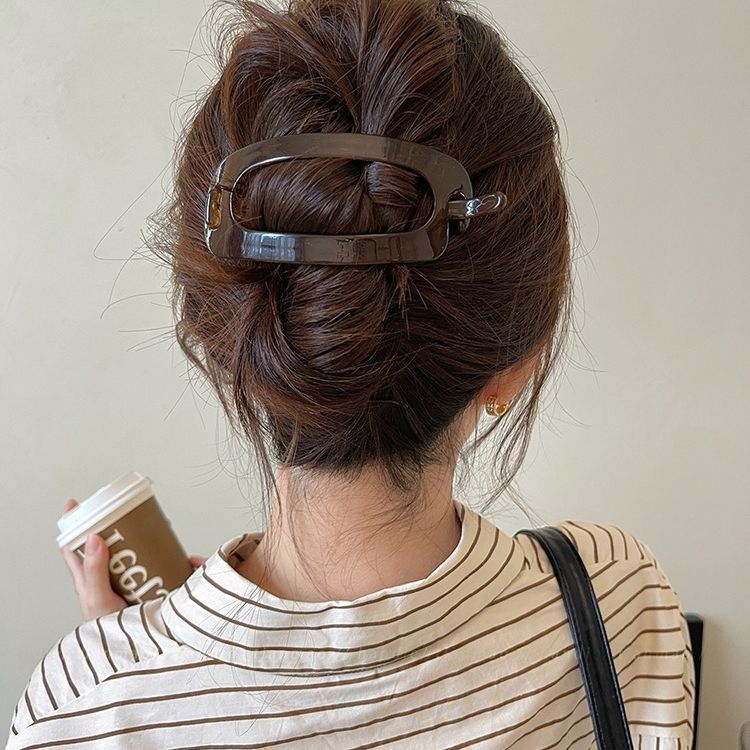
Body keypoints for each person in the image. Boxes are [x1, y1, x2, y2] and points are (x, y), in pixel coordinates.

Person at [6, 0, 696, 748]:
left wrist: (139, 683)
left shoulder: (79, 711)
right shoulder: (618, 605)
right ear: (515, 363)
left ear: (223, 333)